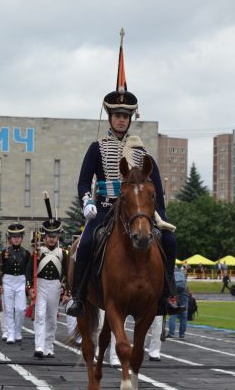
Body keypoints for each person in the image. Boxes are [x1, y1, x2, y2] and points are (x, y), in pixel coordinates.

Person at [66, 88, 184, 317]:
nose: (121, 120)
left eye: (125, 116)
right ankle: (78, 297)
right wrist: (87, 202)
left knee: (169, 240)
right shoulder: (97, 148)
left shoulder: (142, 153)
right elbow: (83, 182)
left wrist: (160, 215)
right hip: (105, 208)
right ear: (110, 118)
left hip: (136, 211)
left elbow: (156, 189)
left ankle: (167, 295)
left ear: (130, 120)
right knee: (87, 242)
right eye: (117, 116)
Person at [30, 218, 68, 358]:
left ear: (57, 237)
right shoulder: (38, 252)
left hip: (55, 286)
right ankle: (39, 347)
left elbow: (66, 272)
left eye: (54, 237)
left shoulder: (63, 253)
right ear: (45, 237)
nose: (51, 240)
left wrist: (66, 291)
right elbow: (30, 270)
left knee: (51, 318)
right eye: (49, 237)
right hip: (40, 285)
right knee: (40, 315)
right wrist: (30, 287)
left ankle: (49, 347)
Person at [0, 223, 32, 344]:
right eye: (14, 237)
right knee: (8, 309)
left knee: (20, 309)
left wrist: (28, 285)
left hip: (20, 281)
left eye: (19, 236)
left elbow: (29, 271)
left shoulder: (26, 253)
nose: (16, 239)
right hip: (8, 281)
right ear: (9, 238)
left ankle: (17, 331)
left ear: (22, 238)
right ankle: (10, 332)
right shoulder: (3, 253)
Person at [167, 267, 189, 339]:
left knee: (173, 314)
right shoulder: (182, 273)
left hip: (174, 290)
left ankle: (171, 334)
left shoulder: (170, 272)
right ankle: (182, 334)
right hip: (184, 292)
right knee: (184, 315)